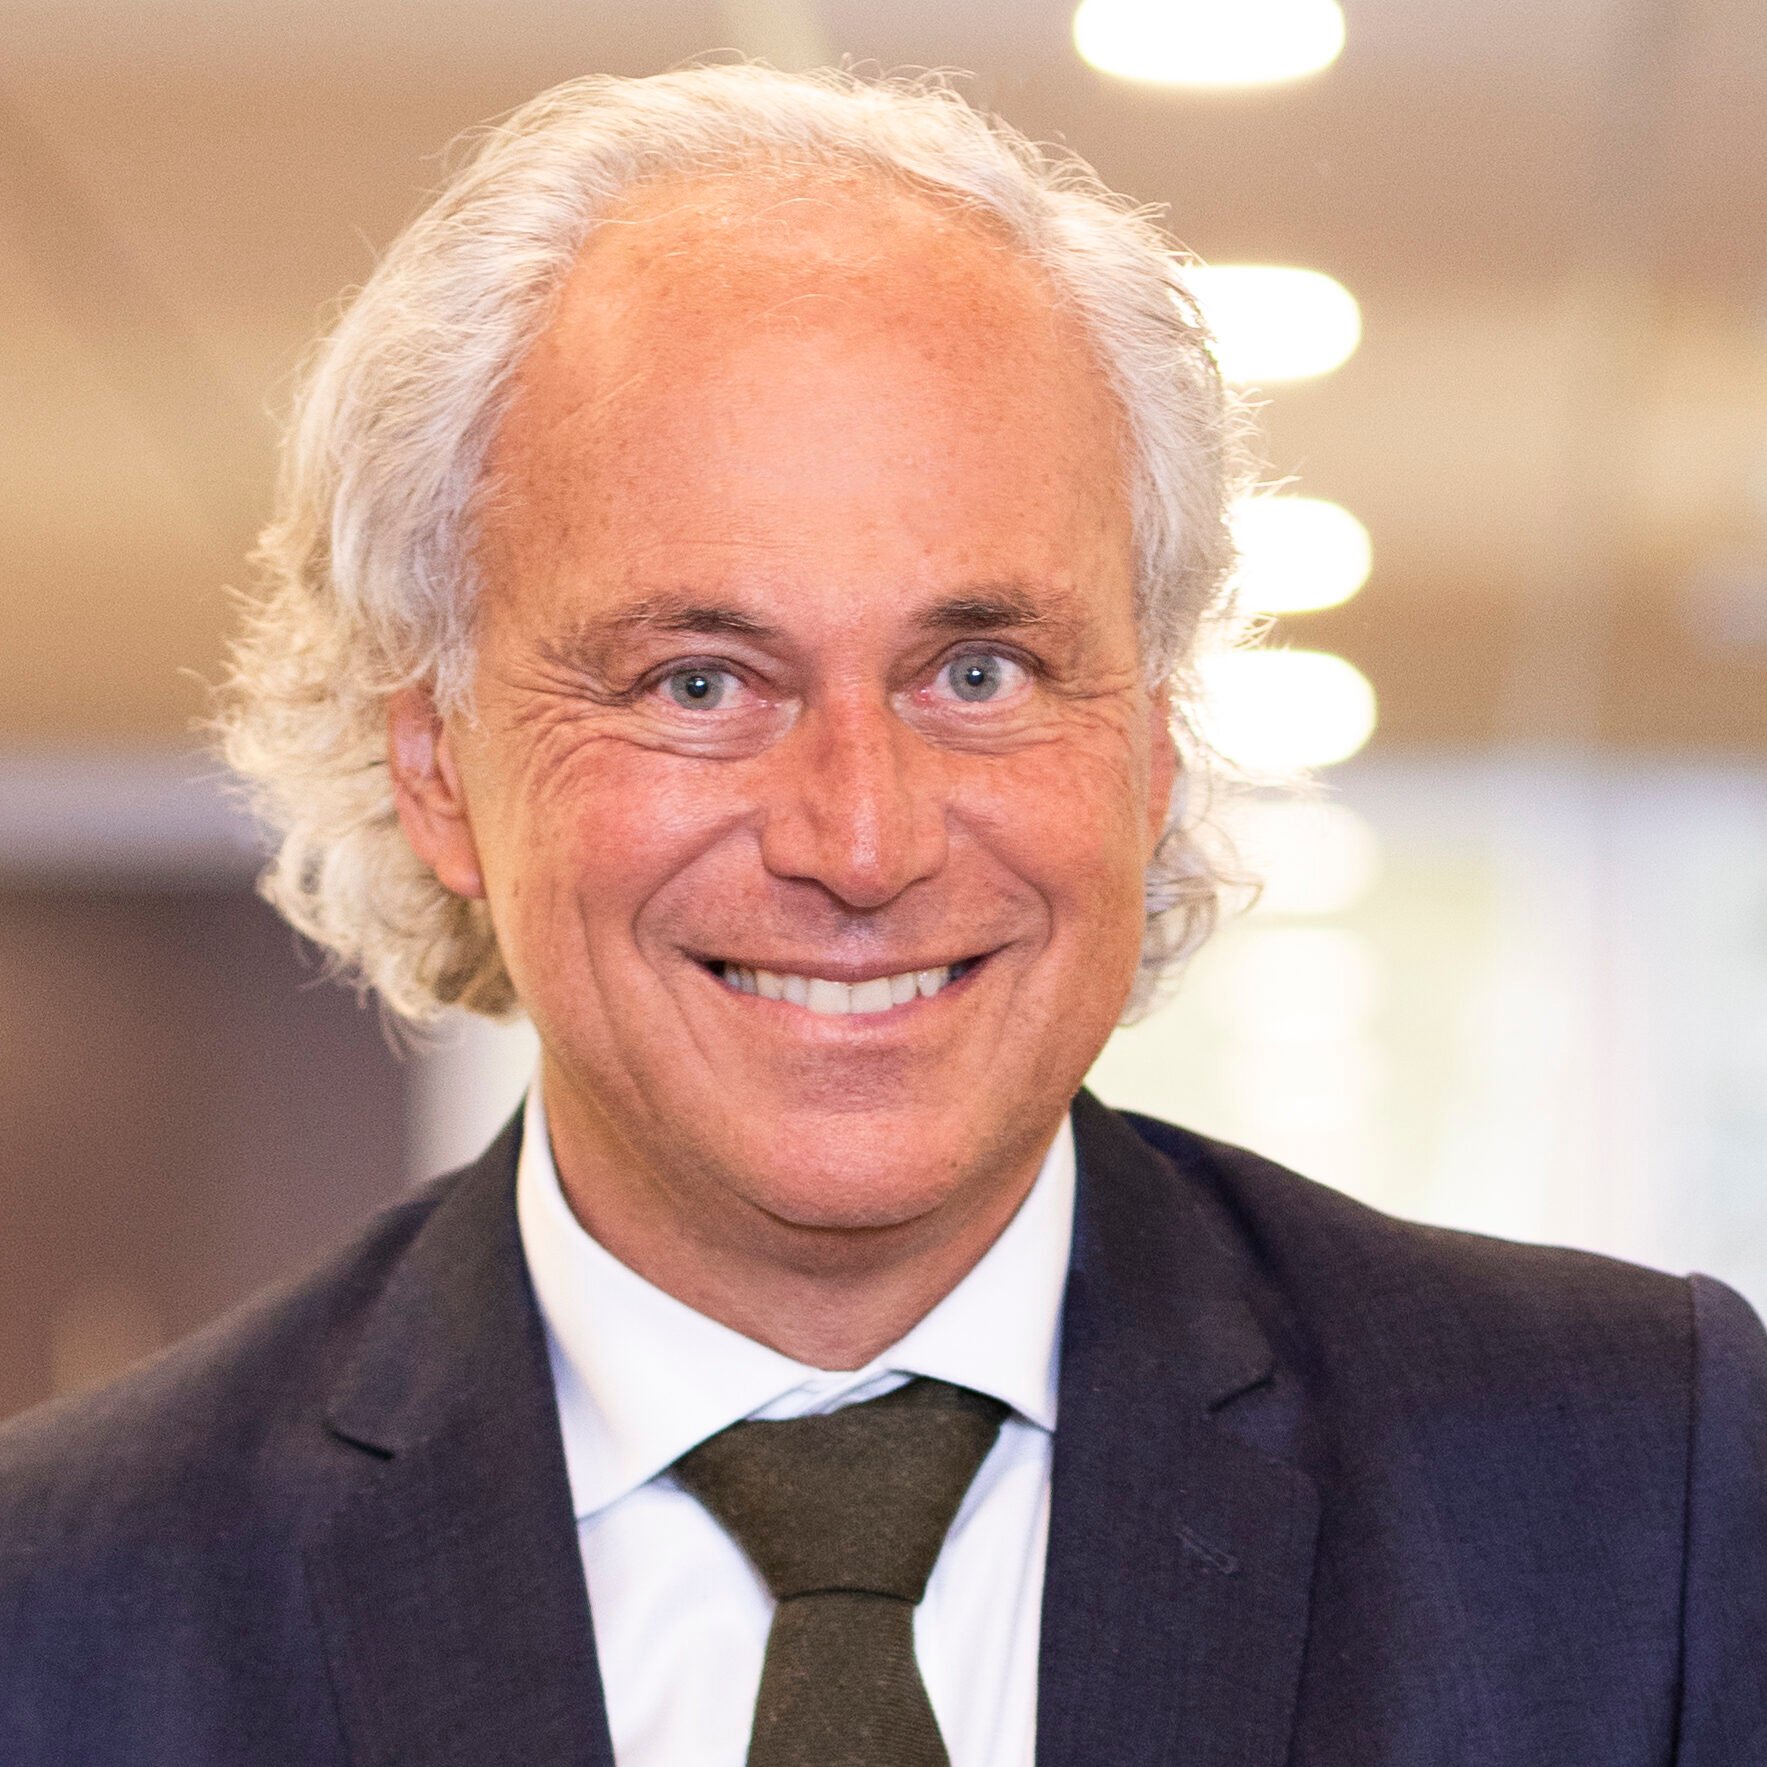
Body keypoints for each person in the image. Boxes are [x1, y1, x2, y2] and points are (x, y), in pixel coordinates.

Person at [0, 63, 1762, 1767]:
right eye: (699, 682)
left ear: (1150, 747)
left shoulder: (1632, 1488)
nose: (861, 838)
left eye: (979, 670)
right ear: (442, 771)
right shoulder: (65, 1613)